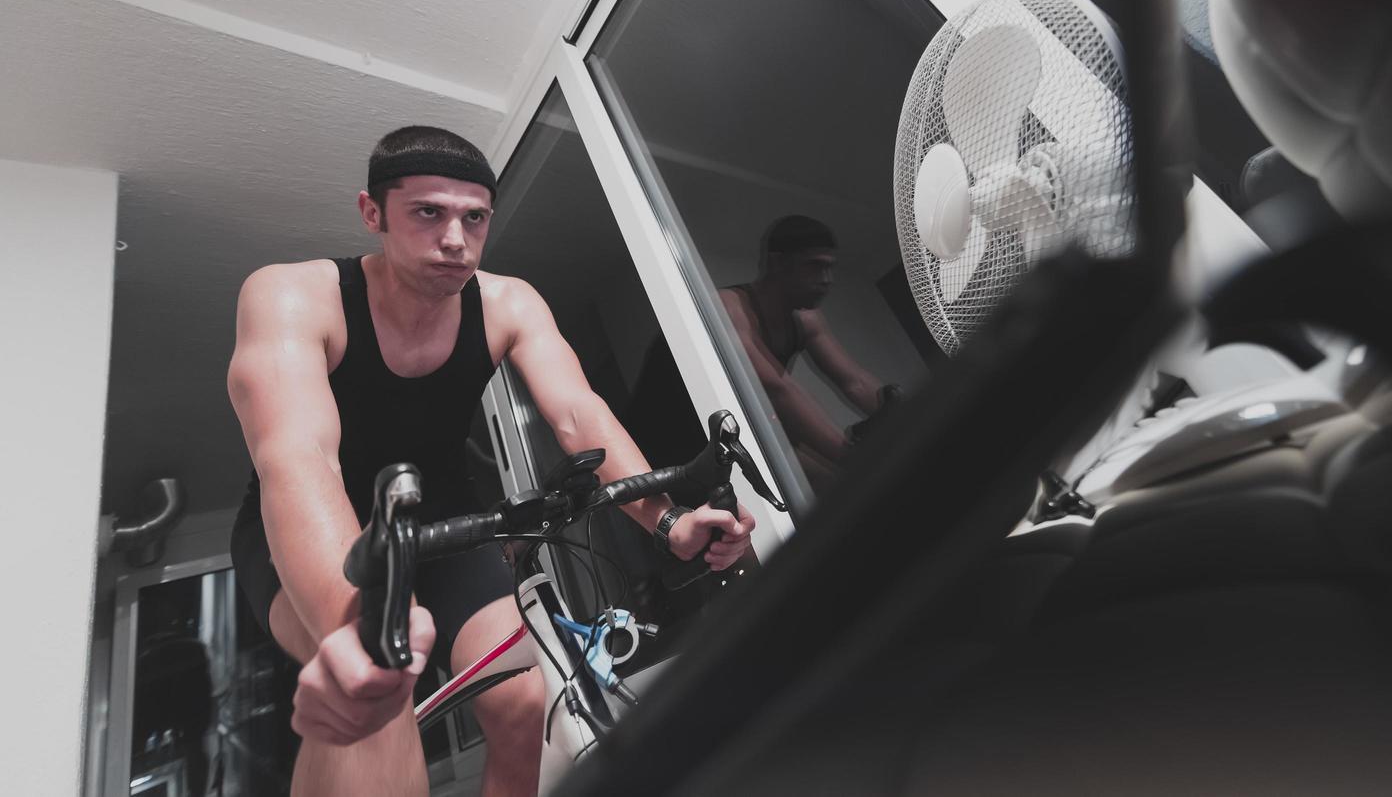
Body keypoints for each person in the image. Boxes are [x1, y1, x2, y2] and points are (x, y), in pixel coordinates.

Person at [228, 126, 755, 797]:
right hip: (309, 526)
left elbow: (576, 417)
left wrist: (669, 519)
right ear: (372, 213)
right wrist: (358, 624)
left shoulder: (507, 303)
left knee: (521, 705)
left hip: (442, 516)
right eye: (428, 212)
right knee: (378, 695)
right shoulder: (293, 296)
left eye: (474, 218)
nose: (456, 237)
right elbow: (298, 460)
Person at [719, 216, 895, 489]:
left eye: (830, 269)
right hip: (708, 430)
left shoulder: (807, 320)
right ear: (777, 263)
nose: (827, 280)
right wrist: (854, 457)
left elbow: (854, 382)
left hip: (757, 430)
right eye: (815, 266)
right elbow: (777, 388)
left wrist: (902, 412)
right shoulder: (732, 305)